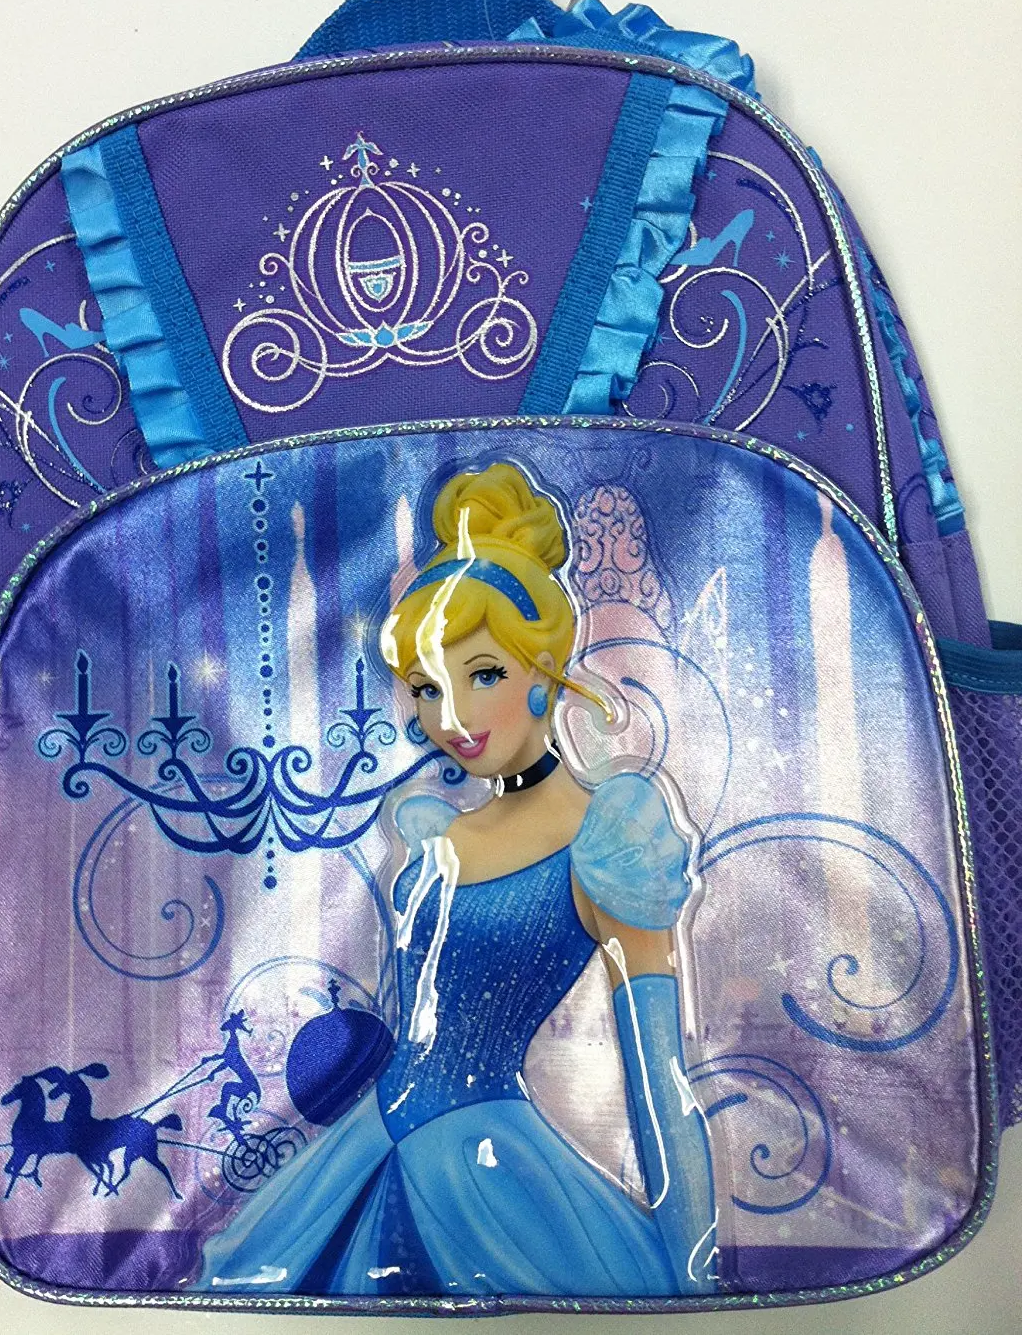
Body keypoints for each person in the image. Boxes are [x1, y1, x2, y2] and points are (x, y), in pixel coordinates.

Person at [197, 461, 716, 1297]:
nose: (452, 718)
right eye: (427, 688)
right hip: (371, 1145)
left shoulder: (608, 841)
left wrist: (695, 1273)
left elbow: (660, 1080)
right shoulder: (440, 834)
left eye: (484, 676)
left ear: (544, 670)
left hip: (488, 1173)